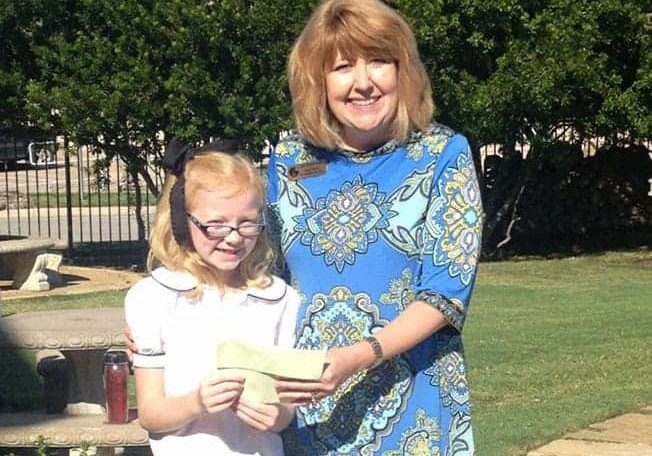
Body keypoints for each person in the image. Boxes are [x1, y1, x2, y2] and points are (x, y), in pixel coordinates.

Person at [266, 0, 484, 454]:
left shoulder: (443, 153)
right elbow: (256, 269)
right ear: (319, 81)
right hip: (308, 404)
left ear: (402, 72)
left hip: (413, 403)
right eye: (342, 67)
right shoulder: (289, 160)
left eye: (379, 62)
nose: (362, 83)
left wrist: (356, 357)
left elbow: (445, 293)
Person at [124, 140, 300, 456]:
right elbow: (150, 414)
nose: (233, 237)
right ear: (181, 221)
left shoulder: (279, 300)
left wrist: (280, 415)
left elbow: (288, 398)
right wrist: (197, 403)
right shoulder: (153, 298)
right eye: (215, 225)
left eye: (246, 223)